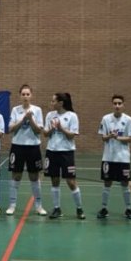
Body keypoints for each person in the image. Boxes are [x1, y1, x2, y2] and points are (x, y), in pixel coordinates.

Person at [7, 84, 46, 216]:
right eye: (23, 94)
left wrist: (31, 119)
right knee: (16, 175)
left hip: (33, 146)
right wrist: (22, 119)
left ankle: (39, 205)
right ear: (20, 95)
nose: (25, 96)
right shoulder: (15, 110)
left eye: (27, 94)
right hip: (17, 146)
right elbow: (11, 129)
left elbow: (38, 130)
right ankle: (12, 205)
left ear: (31, 95)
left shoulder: (37, 110)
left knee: (34, 176)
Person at [44, 92, 84, 220]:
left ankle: (79, 208)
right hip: (51, 151)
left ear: (61, 103)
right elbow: (45, 134)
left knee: (71, 182)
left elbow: (72, 135)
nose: (51, 103)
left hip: (66, 152)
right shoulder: (50, 115)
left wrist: (61, 128)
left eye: (53, 101)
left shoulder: (72, 116)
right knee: (54, 181)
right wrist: (51, 129)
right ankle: (57, 208)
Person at [97, 95, 131, 220]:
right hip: (108, 157)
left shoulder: (128, 120)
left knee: (125, 183)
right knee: (107, 183)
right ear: (112, 104)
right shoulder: (105, 119)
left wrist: (118, 138)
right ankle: (104, 208)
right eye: (115, 103)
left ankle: (128, 209)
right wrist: (109, 136)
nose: (117, 106)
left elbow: (130, 138)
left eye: (120, 103)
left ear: (123, 105)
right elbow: (102, 137)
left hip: (123, 158)